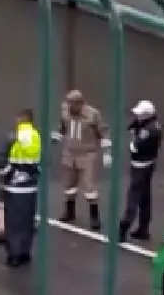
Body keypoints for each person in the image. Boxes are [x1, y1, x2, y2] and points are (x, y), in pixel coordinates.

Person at [52, 90, 111, 231]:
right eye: (68, 103)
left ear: (80, 103)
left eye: (71, 103)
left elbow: (103, 132)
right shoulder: (65, 112)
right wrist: (56, 136)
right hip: (69, 153)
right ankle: (69, 211)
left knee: (89, 187)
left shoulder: (93, 114)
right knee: (69, 185)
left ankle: (94, 216)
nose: (68, 106)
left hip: (87, 154)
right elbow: (62, 127)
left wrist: (107, 152)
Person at [0, 109, 42, 267]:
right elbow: (41, 162)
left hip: (13, 188)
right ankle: (25, 252)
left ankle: (14, 255)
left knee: (13, 223)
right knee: (27, 221)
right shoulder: (36, 136)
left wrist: (10, 174)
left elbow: (0, 160)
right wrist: (31, 176)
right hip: (31, 188)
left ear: (21, 119)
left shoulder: (12, 137)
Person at [118, 100, 163, 241]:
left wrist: (133, 137)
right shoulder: (150, 125)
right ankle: (143, 228)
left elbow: (134, 147)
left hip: (141, 166)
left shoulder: (149, 131)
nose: (136, 117)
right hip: (148, 165)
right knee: (145, 196)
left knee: (133, 196)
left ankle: (125, 225)